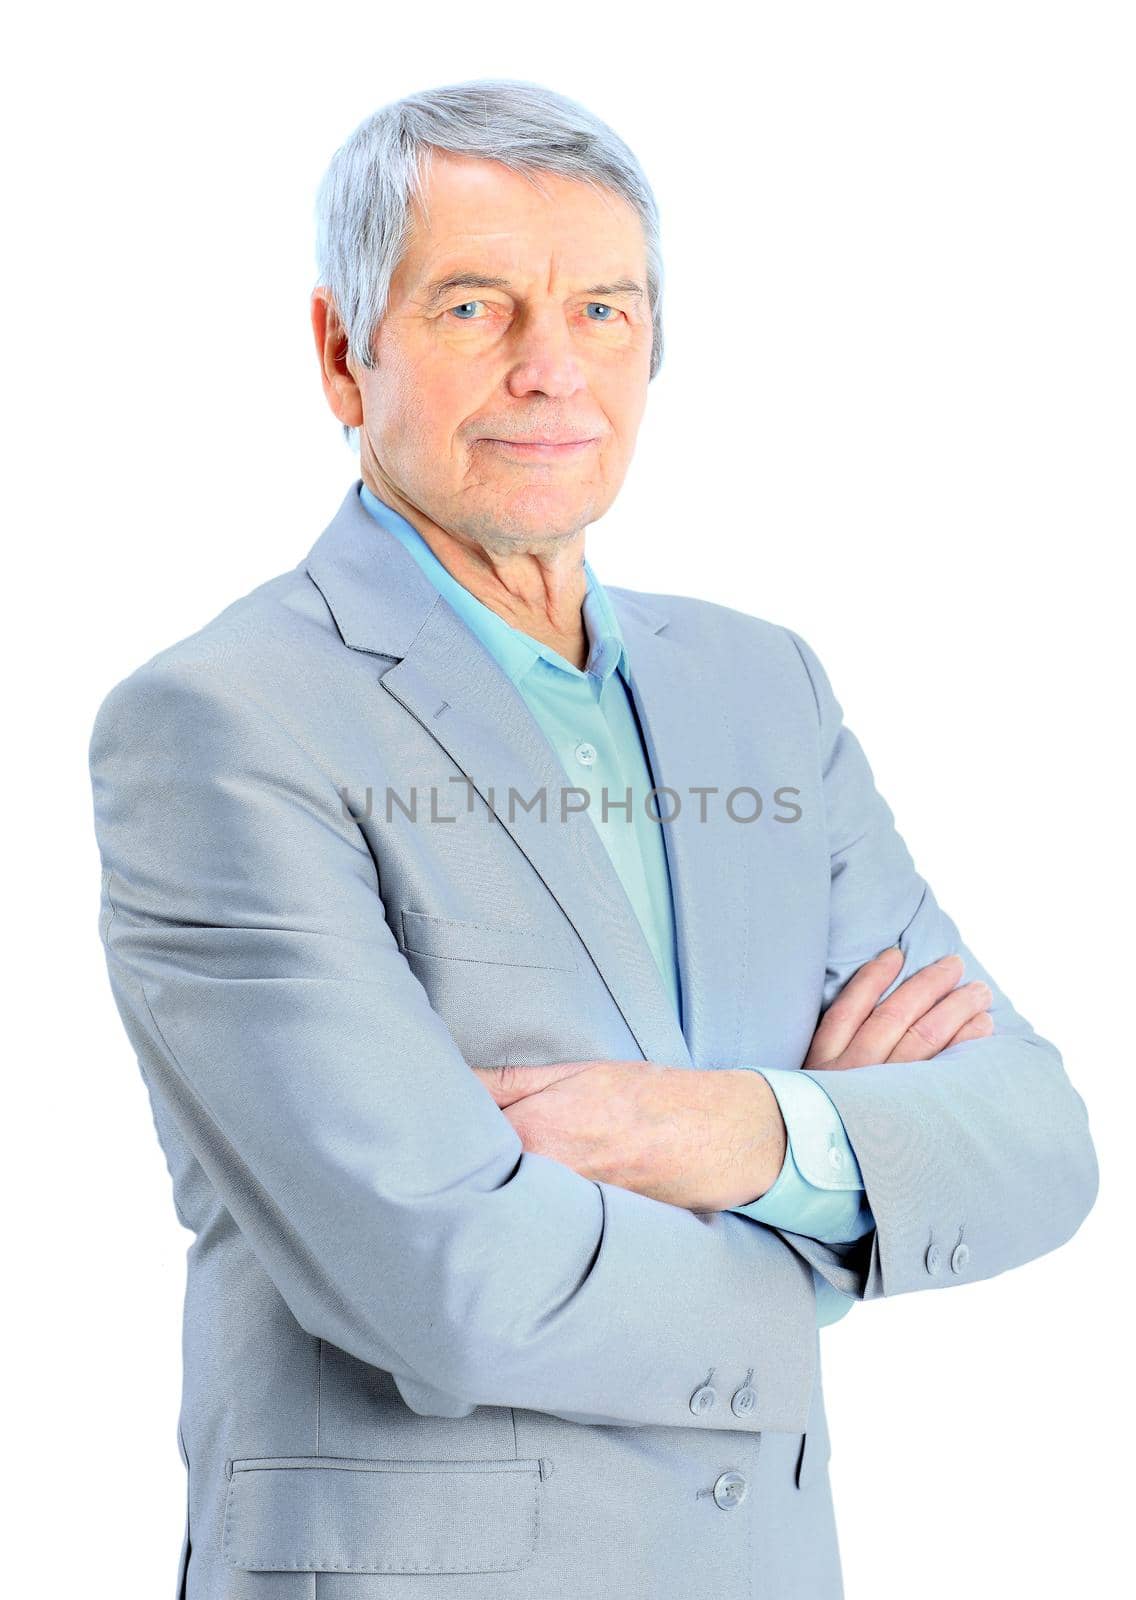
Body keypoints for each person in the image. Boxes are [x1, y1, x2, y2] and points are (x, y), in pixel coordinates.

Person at [88, 78, 1098, 1600]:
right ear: (340, 355)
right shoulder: (224, 722)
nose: (552, 369)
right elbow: (446, 1281)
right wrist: (855, 1187)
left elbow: (1037, 1142)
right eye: (475, 307)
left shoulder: (764, 689)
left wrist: (732, 1133)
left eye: (606, 312)